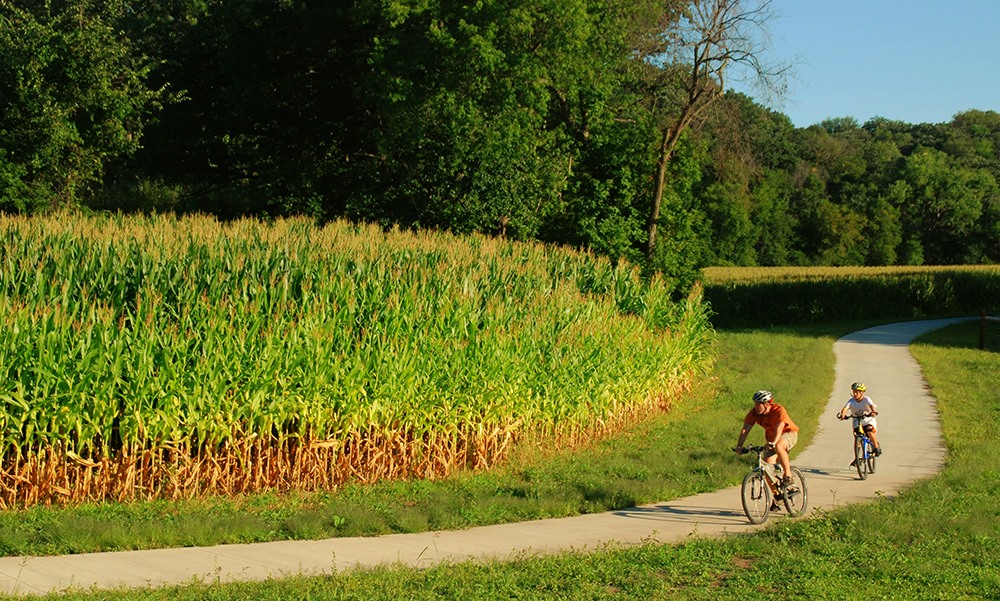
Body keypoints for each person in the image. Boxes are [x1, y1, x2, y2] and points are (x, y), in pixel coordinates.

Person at [734, 390, 800, 491]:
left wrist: (773, 442)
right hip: (771, 440)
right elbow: (745, 429)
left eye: (758, 404)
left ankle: (788, 475)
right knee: (767, 469)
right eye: (755, 404)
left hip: (788, 433)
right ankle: (777, 497)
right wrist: (739, 446)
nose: (755, 407)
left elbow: (780, 427)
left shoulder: (778, 410)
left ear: (767, 404)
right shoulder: (754, 414)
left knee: (779, 446)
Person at [837, 381, 882, 463]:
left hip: (868, 420)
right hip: (857, 420)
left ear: (862, 393)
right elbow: (845, 408)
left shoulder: (866, 399)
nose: (854, 394)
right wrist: (842, 415)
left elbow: (871, 405)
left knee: (869, 430)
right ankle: (857, 458)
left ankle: (876, 447)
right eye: (854, 392)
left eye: (857, 392)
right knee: (857, 437)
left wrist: (873, 411)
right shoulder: (851, 401)